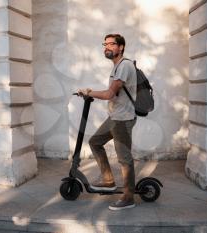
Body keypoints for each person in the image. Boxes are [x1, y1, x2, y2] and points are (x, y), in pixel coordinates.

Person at [78, 34, 137, 210]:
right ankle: (108, 180)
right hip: (114, 117)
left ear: (121, 47)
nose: (107, 47)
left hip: (122, 120)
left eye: (112, 44)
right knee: (95, 142)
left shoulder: (124, 65)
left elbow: (110, 94)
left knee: (124, 159)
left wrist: (89, 91)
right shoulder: (117, 66)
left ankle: (128, 197)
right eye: (105, 44)